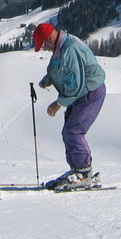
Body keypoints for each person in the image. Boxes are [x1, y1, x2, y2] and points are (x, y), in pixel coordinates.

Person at [33, 22, 106, 189]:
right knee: (69, 131)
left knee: (73, 131)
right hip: (82, 93)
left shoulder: (69, 49)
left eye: (44, 44)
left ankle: (84, 173)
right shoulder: (63, 44)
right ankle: (77, 170)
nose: (44, 48)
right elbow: (63, 69)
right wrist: (50, 78)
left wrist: (58, 104)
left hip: (89, 92)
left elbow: (75, 85)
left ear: (50, 38)